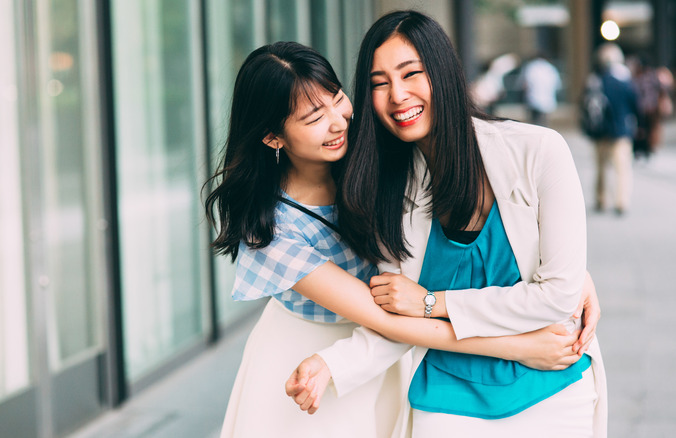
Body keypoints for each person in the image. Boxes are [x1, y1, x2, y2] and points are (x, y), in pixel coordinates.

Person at [205, 41, 600, 438]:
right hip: (315, 357)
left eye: (337, 99)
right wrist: (519, 345)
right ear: (273, 137)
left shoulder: (368, 160)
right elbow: (390, 316)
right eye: (314, 117)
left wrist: (569, 277)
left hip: (391, 349)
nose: (338, 123)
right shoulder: (270, 231)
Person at [591, 43, 638, 215]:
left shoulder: (595, 80)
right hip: (621, 129)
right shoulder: (624, 80)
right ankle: (621, 201)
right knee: (622, 168)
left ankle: (601, 199)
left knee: (601, 167)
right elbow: (635, 103)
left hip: (600, 130)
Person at [630, 54, 669, 159]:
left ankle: (642, 148)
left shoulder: (638, 77)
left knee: (642, 129)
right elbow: (662, 89)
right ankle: (646, 148)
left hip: (642, 108)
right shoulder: (653, 76)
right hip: (651, 107)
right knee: (649, 129)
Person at [519, 53, 561, 126]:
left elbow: (525, 84)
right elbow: (557, 84)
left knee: (534, 123)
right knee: (544, 121)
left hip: (533, 99)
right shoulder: (550, 68)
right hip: (547, 99)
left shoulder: (531, 67)